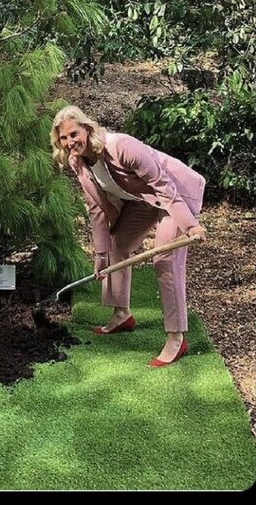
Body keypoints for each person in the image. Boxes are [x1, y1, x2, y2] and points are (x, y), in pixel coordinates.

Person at [51, 106, 207, 367]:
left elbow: (163, 186)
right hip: (142, 199)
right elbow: (96, 207)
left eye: (73, 134)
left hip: (175, 193)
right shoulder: (77, 161)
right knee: (117, 247)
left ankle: (176, 338)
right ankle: (122, 314)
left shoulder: (121, 146)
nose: (69, 142)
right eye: (63, 138)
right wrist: (101, 255)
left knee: (165, 259)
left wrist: (191, 226)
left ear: (87, 129)